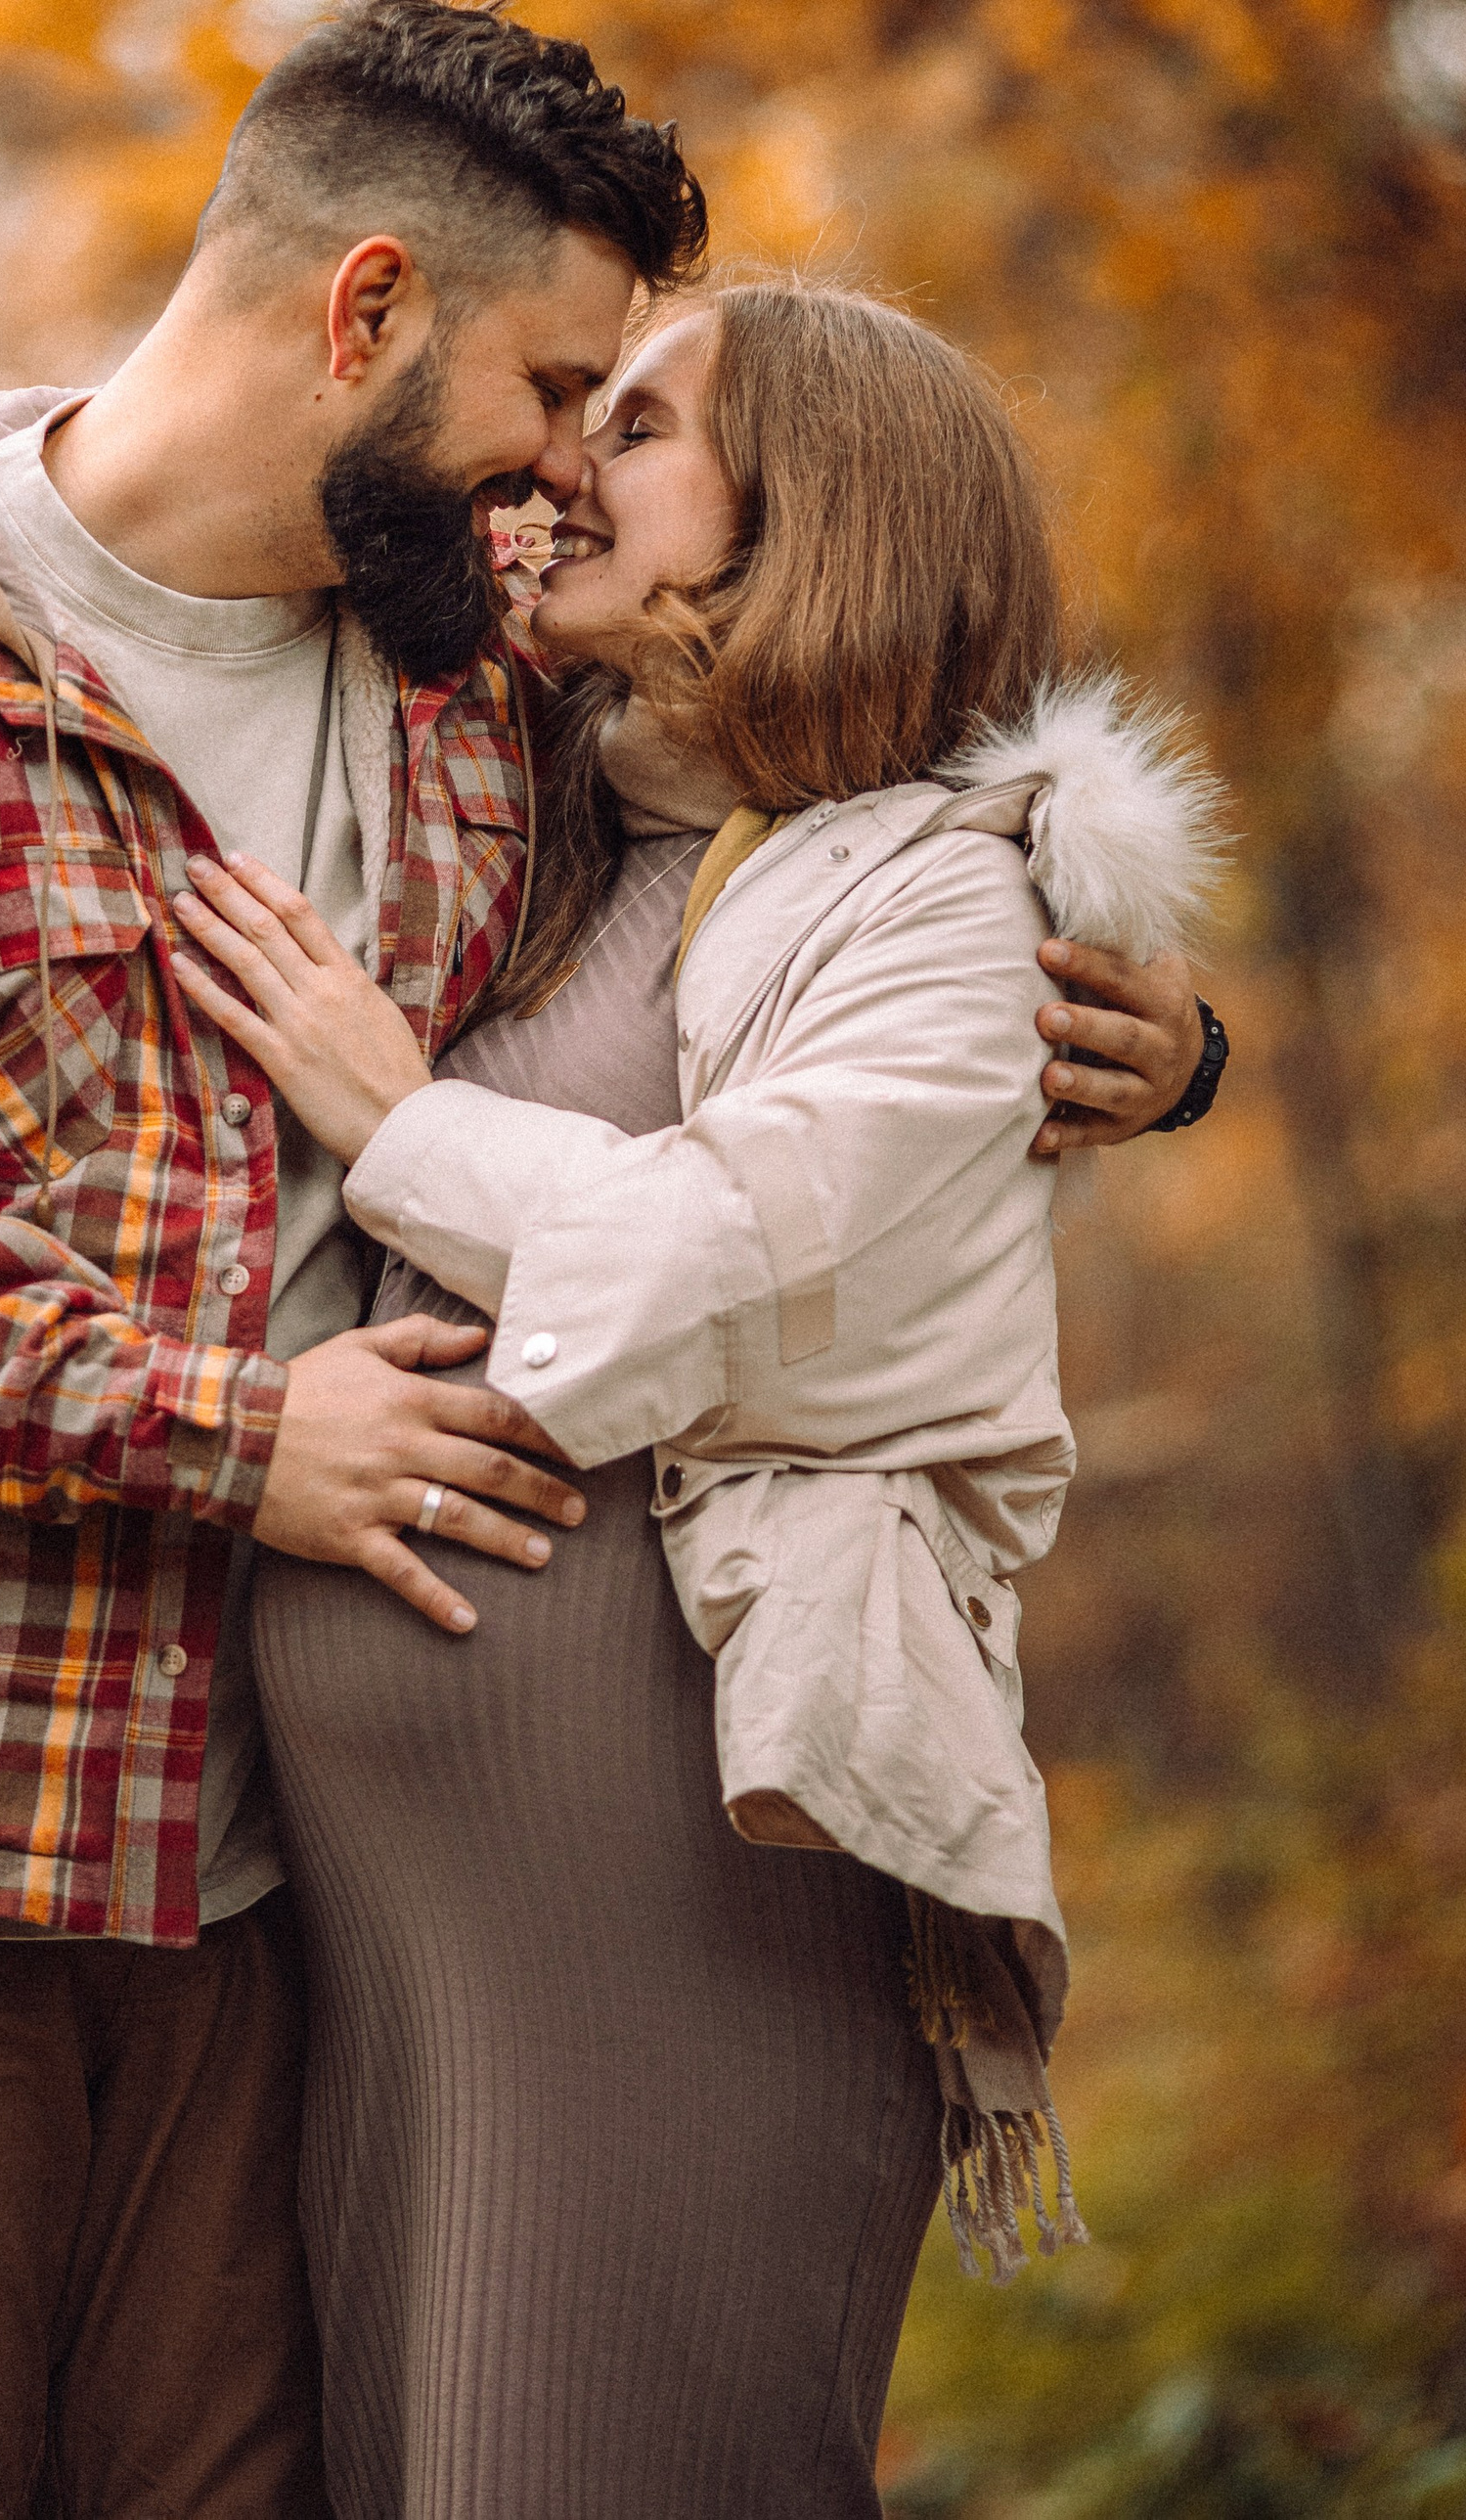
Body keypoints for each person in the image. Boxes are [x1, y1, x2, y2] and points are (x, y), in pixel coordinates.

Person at [0, 0, 1212, 2520]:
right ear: (365, 312)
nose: (558, 472)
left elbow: (832, 827)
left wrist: (1152, 1023)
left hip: (246, 1904)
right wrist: (240, 1437)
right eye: (551, 391)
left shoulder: (456, 695)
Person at [166, 276, 1228, 2520]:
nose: (565, 466)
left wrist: (395, 1115)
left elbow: (713, 1251)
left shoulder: (937, 899)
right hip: (410, 1942)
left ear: (808, 508)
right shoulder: (548, 827)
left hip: (687, 1889)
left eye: (635, 428)